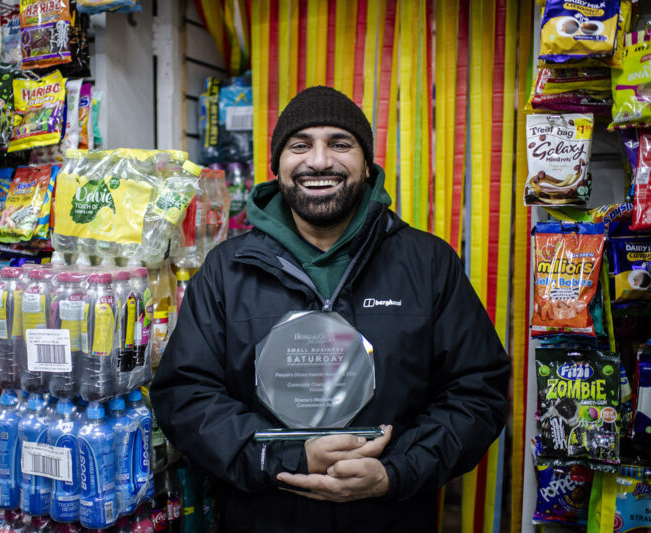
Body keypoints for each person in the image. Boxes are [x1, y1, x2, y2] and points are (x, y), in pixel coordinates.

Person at [151, 86, 510, 532]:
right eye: (300, 145)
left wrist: (395, 472)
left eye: (340, 144)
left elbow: (479, 392)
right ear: (278, 165)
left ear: (366, 164)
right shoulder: (228, 269)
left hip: (391, 518)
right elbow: (185, 396)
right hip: (263, 518)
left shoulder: (429, 264)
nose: (319, 161)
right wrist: (288, 458)